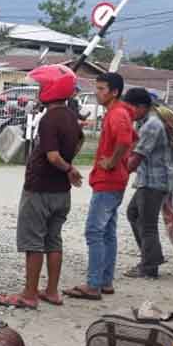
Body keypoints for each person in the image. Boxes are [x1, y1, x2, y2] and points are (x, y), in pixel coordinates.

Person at [0, 65, 83, 309]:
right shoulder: (71, 117)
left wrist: (68, 168)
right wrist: (70, 167)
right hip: (61, 192)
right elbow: (78, 144)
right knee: (54, 240)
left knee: (33, 242)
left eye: (41, 87)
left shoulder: (49, 119)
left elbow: (53, 156)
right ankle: (52, 291)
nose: (38, 91)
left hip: (40, 188)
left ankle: (29, 294)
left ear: (51, 89)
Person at [64, 73, 135, 300]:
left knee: (94, 231)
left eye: (102, 88)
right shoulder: (119, 113)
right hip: (113, 179)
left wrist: (113, 162)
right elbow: (133, 138)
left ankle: (94, 284)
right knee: (107, 232)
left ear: (114, 92)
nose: (97, 92)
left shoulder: (117, 114)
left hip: (109, 180)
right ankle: (105, 281)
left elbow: (126, 141)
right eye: (97, 87)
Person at [122, 88, 173, 279]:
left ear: (141, 107)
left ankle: (149, 266)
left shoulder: (151, 125)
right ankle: (152, 257)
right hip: (155, 178)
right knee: (134, 214)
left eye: (130, 108)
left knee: (147, 224)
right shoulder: (154, 119)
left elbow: (137, 157)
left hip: (154, 181)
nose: (129, 113)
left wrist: (116, 172)